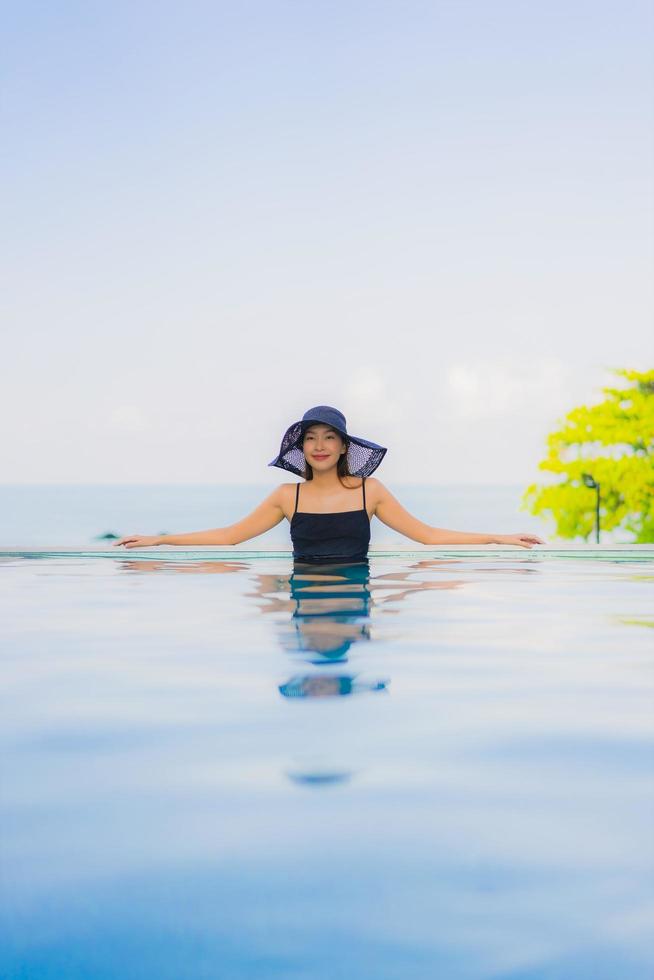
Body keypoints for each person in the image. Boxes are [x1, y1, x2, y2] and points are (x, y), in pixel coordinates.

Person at [114, 405, 545, 554]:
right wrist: (160, 540)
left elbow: (428, 535)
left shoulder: (369, 491)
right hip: (304, 595)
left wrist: (499, 538)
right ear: (301, 449)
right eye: (310, 438)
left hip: (356, 597)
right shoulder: (287, 496)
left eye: (329, 438)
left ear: (343, 447)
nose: (319, 445)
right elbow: (229, 537)